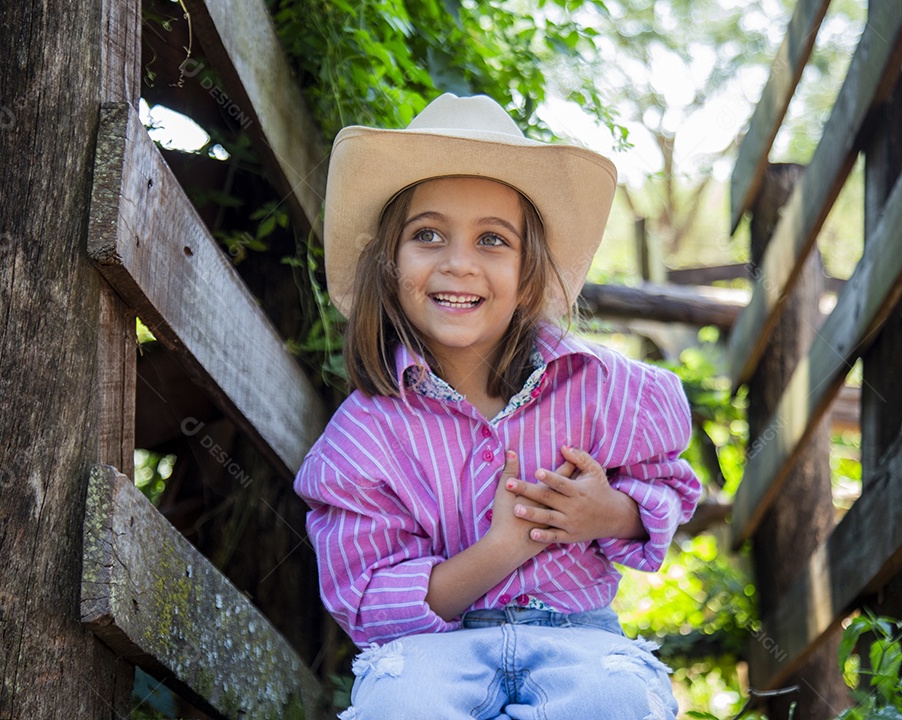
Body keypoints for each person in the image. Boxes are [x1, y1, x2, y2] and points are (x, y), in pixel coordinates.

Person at [295, 93, 702, 720]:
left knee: (620, 701)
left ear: (528, 273)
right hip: (435, 648)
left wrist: (609, 514)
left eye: (492, 239)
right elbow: (368, 601)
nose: (459, 263)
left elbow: (670, 489)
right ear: (390, 261)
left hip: (578, 637)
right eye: (427, 235)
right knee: (402, 707)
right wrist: (501, 548)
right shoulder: (364, 437)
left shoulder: (604, 389)